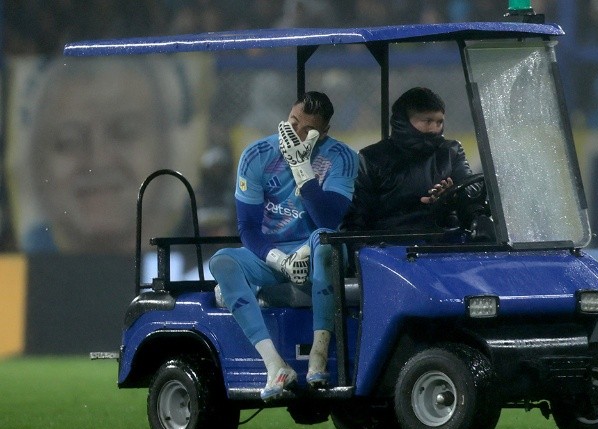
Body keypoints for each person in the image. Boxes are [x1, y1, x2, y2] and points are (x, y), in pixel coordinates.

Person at [209, 91, 357, 401]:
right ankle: (275, 365)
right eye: (292, 123)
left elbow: (329, 218)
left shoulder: (341, 157)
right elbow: (247, 228)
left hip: (318, 248)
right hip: (274, 256)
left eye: (306, 129)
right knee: (222, 261)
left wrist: (302, 168)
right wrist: (280, 260)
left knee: (324, 242)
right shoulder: (257, 155)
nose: (295, 133)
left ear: (323, 132)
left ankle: (318, 356)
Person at [7, 55, 202, 254]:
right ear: (37, 162)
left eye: (125, 132)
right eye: (69, 141)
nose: (99, 160)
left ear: (166, 147)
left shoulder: (205, 256)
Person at [342, 87, 477, 232]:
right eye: (428, 121)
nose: (434, 129)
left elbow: (473, 191)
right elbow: (356, 217)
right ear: (403, 121)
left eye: (439, 122)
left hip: (447, 241)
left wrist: (453, 196)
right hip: (388, 245)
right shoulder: (371, 158)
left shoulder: (451, 152)